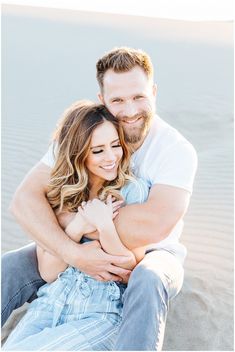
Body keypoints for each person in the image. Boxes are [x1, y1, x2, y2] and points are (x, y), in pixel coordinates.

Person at [2, 47, 198, 350]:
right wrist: (73, 249)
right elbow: (25, 200)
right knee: (13, 264)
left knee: (147, 278)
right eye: (118, 100)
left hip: (154, 254)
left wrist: (66, 217)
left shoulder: (175, 150)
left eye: (139, 96)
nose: (131, 110)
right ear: (102, 99)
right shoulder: (85, 134)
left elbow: (153, 226)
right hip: (80, 240)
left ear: (154, 92)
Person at [3, 100, 149, 350]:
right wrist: (79, 225)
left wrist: (105, 226)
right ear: (79, 153)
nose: (111, 157)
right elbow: (49, 272)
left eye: (115, 145)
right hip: (51, 302)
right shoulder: (64, 194)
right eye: (98, 150)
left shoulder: (131, 190)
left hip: (101, 312)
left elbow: (129, 270)